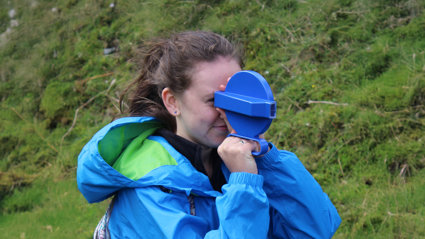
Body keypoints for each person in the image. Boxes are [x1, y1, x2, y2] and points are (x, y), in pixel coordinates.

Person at [77, 31, 341, 238]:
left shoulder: (230, 158)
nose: (226, 113)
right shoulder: (150, 189)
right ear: (172, 102)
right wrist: (244, 184)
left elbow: (315, 231)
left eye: (234, 99)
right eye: (213, 100)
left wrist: (265, 159)